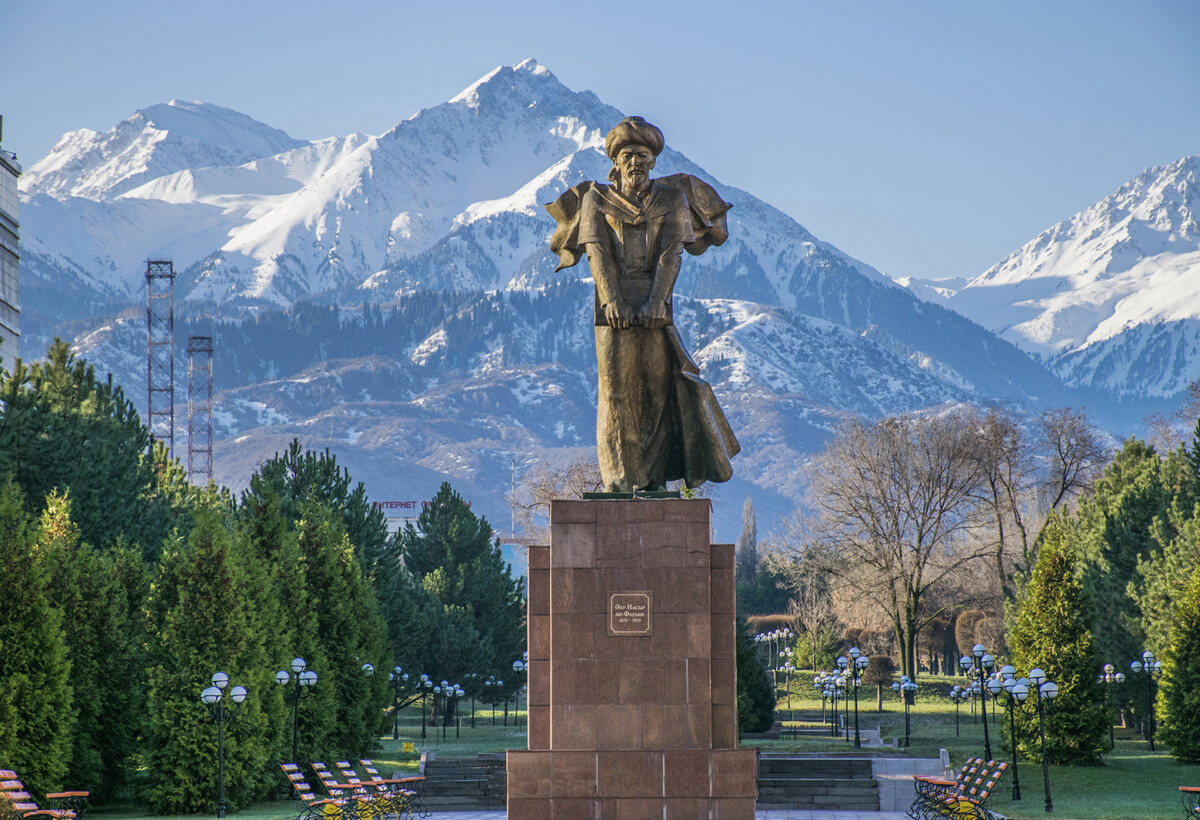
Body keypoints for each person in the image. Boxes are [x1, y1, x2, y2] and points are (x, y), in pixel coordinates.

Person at [547, 116, 740, 492]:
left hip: (656, 310)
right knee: (616, 393)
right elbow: (597, 252)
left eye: (644, 155)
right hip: (610, 312)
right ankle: (620, 481)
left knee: (657, 391)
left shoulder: (671, 200)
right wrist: (613, 299)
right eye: (629, 154)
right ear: (616, 162)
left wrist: (656, 302)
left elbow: (671, 254)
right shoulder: (596, 200)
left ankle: (652, 480)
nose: (636, 160)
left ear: (653, 162)